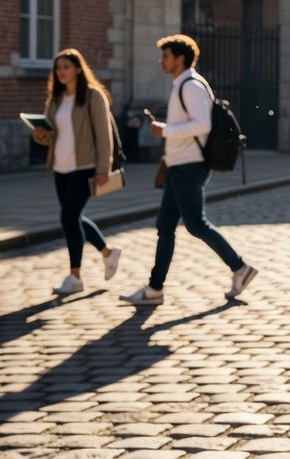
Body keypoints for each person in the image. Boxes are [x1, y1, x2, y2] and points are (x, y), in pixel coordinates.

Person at [120, 34, 257, 305]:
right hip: (179, 166)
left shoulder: (190, 86)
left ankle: (239, 268)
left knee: (196, 225)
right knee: (166, 227)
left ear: (180, 58)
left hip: (190, 167)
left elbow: (202, 125)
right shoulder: (184, 84)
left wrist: (166, 130)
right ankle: (154, 288)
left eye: (166, 56)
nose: (161, 61)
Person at [31, 49, 122, 295]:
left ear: (78, 69)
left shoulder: (92, 96)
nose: (61, 72)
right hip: (61, 167)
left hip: (85, 167)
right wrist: (40, 135)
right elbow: (51, 136)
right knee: (75, 218)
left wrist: (103, 168)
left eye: (66, 67)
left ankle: (75, 277)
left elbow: (104, 136)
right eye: (58, 68)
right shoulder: (56, 99)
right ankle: (108, 253)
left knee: (68, 218)